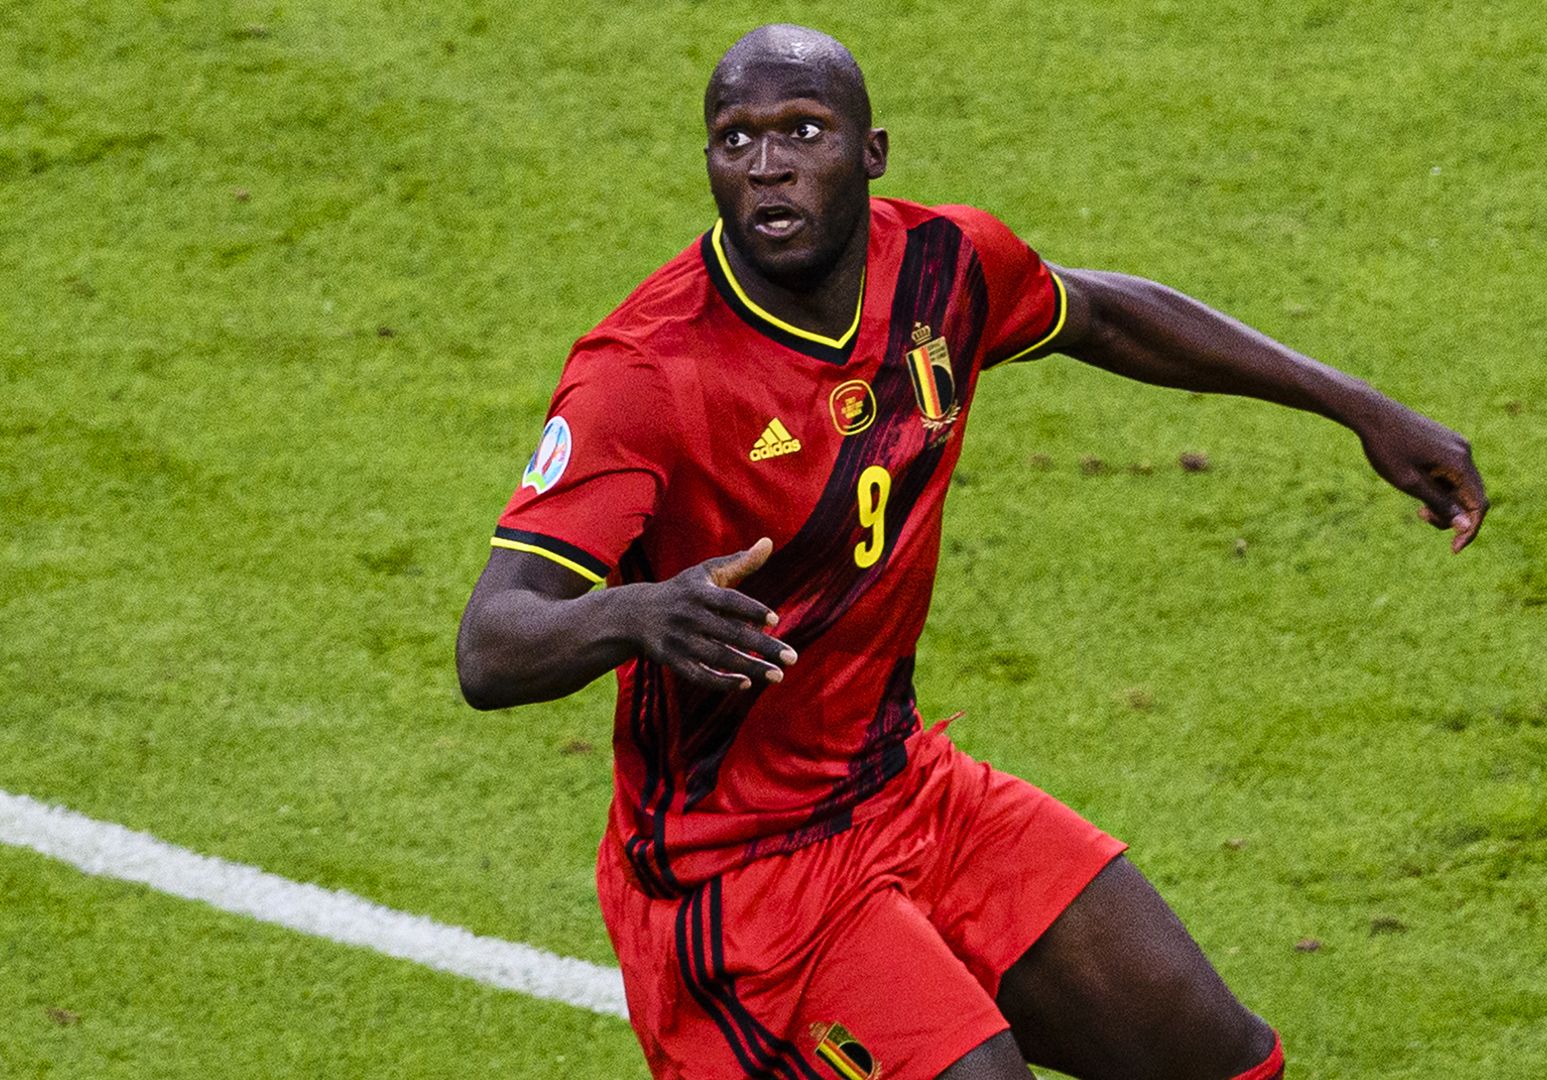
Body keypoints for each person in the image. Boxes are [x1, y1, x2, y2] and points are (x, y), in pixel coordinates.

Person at [457, 23, 1486, 1080]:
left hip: (905, 789)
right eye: (735, 139)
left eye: (802, 132)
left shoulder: (943, 268)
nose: (766, 165)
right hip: (737, 875)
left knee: (1214, 1052)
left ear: (871, 153)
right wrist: (635, 613)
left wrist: (1358, 406)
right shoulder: (644, 372)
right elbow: (492, 645)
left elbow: (1105, 316)